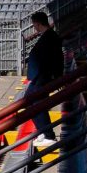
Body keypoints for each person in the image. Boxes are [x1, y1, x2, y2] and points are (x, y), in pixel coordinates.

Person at [23, 9, 65, 140]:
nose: (34, 27)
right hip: (41, 78)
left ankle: (48, 135)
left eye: (34, 25)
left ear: (38, 23)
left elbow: (52, 59)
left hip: (43, 78)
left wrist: (54, 77)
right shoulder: (49, 36)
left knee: (34, 103)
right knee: (33, 103)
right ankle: (44, 132)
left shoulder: (50, 37)